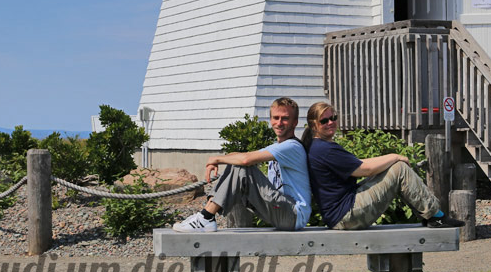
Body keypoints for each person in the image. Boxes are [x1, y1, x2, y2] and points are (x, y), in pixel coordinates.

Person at [302, 101, 464, 230]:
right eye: (324, 121)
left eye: (333, 118)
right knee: (399, 169)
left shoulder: (319, 147)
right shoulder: (324, 149)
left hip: (341, 214)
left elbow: (360, 165)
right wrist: (395, 156)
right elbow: (365, 169)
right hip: (346, 216)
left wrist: (391, 160)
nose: (331, 122)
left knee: (392, 168)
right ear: (314, 125)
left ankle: (430, 215)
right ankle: (436, 217)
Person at [172, 97, 312, 233]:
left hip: (293, 214)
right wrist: (215, 160)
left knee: (242, 167)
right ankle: (204, 216)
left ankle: (206, 217)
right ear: (270, 120)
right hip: (282, 211)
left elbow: (245, 160)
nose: (279, 122)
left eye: (285, 118)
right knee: (237, 164)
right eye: (276, 118)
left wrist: (216, 159)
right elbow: (241, 155)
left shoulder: (291, 147)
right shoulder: (278, 146)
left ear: (295, 122)